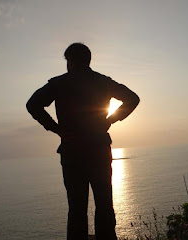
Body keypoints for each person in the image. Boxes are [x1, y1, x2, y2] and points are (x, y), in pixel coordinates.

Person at [26, 43, 140, 240]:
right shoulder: (102, 81)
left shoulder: (59, 83)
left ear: (69, 61)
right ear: (88, 60)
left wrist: (57, 129)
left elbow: (32, 104)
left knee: (76, 208)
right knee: (104, 204)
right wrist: (110, 120)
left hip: (72, 152)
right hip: (98, 149)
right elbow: (133, 98)